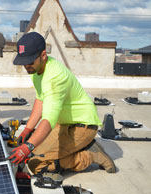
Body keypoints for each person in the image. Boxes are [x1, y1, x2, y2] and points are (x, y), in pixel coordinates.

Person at [7, 32, 116, 175]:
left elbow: (48, 120)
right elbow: (41, 99)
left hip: (82, 126)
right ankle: (80, 147)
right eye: (24, 62)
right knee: (34, 152)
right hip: (63, 123)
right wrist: (28, 129)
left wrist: (27, 146)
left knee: (36, 165)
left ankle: (90, 155)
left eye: (30, 61)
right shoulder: (36, 70)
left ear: (43, 55)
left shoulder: (55, 77)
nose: (27, 66)